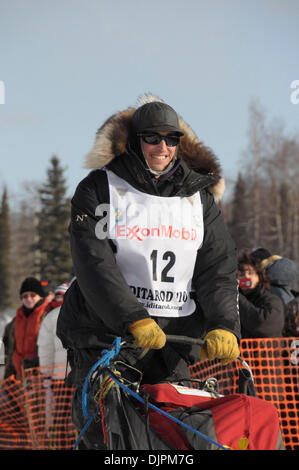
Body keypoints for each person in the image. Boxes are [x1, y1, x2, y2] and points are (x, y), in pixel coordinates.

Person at [56, 96, 241, 449]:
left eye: (171, 138)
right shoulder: (100, 188)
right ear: (135, 140)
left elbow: (218, 267)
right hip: (105, 339)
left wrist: (223, 324)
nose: (162, 146)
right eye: (152, 137)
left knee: (170, 439)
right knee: (107, 438)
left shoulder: (198, 199)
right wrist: (132, 318)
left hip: (171, 344)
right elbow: (94, 261)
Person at [3, 277, 48, 379]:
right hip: (18, 374)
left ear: (40, 296)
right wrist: (8, 375)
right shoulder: (15, 321)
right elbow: (9, 349)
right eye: (24, 296)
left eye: (33, 295)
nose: (28, 299)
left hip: (40, 374)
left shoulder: (47, 316)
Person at [238, 252, 285, 338]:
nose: (246, 277)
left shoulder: (271, 300)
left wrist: (238, 298)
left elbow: (262, 323)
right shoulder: (231, 299)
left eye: (250, 273)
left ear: (259, 276)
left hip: (266, 350)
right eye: (241, 274)